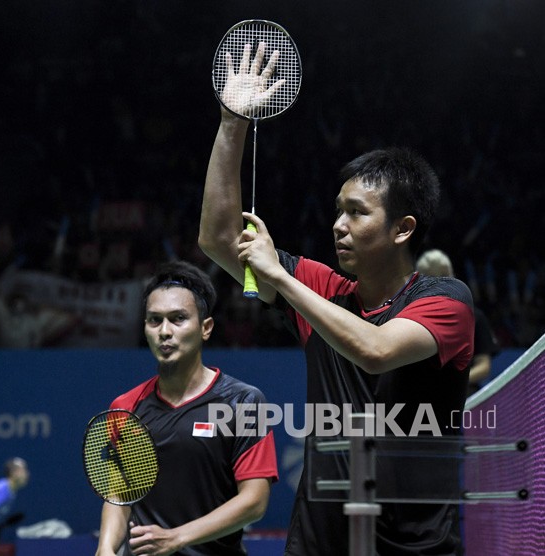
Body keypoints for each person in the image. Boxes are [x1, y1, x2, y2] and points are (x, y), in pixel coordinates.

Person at [198, 43, 475, 555]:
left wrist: (278, 278)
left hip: (414, 548)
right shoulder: (323, 288)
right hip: (319, 543)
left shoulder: (446, 301)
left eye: (356, 213)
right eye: (337, 210)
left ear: (401, 229)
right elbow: (217, 238)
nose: (338, 225)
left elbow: (374, 350)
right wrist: (232, 122)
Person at [96, 261, 279, 556]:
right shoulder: (125, 407)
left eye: (178, 318)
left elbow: (254, 502)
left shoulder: (244, 402)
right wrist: (105, 549)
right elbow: (120, 495)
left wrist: (175, 538)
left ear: (205, 328)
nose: (164, 331)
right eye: (154, 321)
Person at [416, 249, 500, 395]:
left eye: (445, 276)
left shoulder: (475, 317)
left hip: (464, 397)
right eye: (432, 278)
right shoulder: (410, 319)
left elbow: (484, 366)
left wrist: (450, 384)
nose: (442, 283)